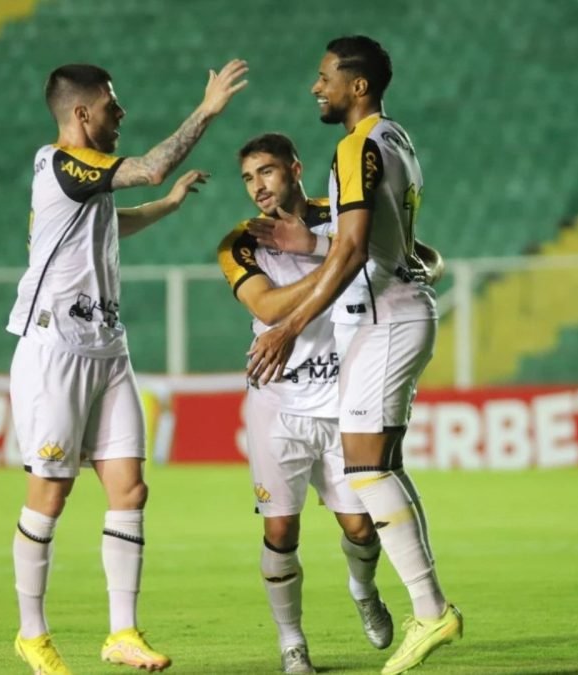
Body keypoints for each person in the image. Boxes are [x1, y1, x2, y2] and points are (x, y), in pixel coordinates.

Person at [5, 60, 248, 674]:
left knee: (129, 487)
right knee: (51, 493)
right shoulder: (61, 163)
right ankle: (32, 635)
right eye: (113, 105)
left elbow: (114, 222)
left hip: (106, 345)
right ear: (81, 113)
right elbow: (149, 166)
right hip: (55, 347)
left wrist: (167, 206)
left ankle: (122, 633)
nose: (122, 113)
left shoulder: (85, 184)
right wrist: (206, 110)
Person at [244, 37, 461, 675]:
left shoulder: (354, 146)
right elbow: (383, 244)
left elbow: (355, 249)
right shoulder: (396, 139)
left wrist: (291, 326)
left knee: (367, 471)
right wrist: (311, 244)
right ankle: (427, 608)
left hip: (384, 317)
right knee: (377, 467)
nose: (317, 87)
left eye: (325, 77)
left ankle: (431, 609)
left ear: (357, 86)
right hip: (398, 309)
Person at [220, 132, 404, 673]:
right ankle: (291, 641)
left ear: (295, 169)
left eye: (267, 171)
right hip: (278, 407)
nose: (257, 186)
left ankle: (363, 591)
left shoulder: (344, 217)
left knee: (362, 528)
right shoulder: (241, 243)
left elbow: (412, 259)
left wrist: (325, 246)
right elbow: (267, 307)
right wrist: (340, 258)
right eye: (248, 177)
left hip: (344, 402)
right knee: (280, 530)